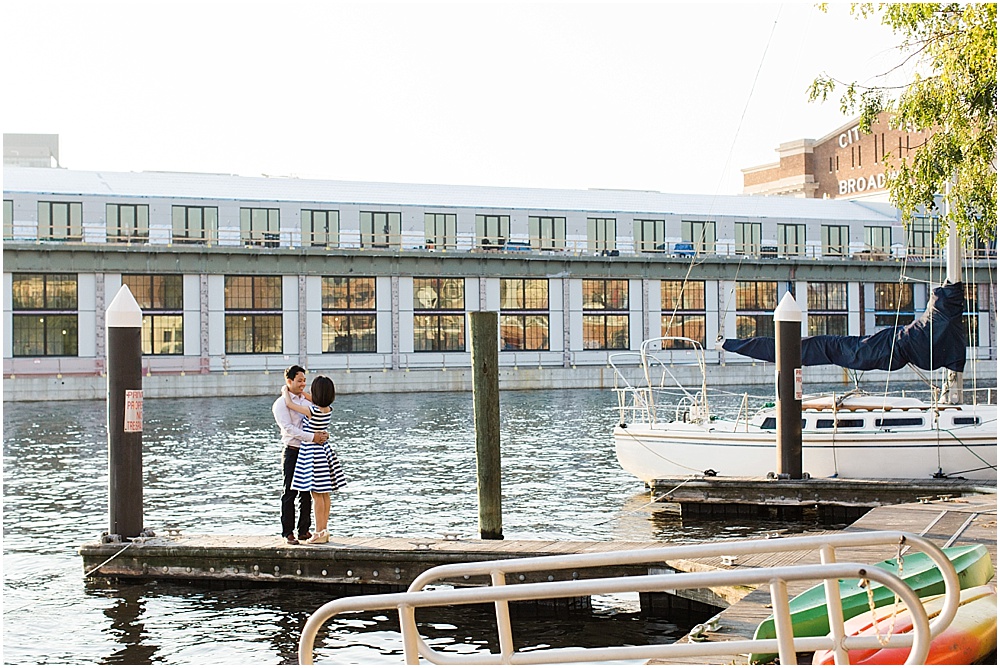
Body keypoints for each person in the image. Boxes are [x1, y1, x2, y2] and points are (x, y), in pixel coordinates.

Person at [284, 375, 347, 544]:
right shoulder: (327, 409)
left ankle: (318, 532)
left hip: (312, 454)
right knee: (325, 493)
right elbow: (314, 399)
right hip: (323, 452)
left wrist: (285, 391)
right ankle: (324, 530)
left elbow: (290, 405)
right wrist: (304, 394)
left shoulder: (313, 411)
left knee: (316, 494)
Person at [272, 365, 328, 545]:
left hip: (308, 451)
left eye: (305, 380)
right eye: (300, 380)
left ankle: (304, 529)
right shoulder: (281, 403)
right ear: (289, 381)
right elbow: (289, 429)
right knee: (289, 492)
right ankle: (288, 532)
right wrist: (313, 437)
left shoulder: (307, 401)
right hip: (293, 451)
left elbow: (318, 417)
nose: (303, 384)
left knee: (307, 493)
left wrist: (319, 435)